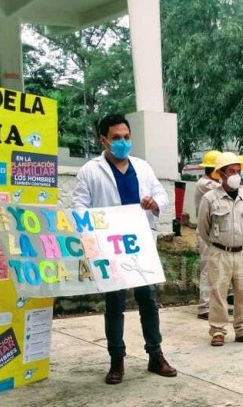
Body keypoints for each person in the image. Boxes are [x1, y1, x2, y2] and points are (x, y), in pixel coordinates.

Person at [72, 114, 177, 383]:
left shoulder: (142, 167)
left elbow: (162, 195)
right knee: (115, 304)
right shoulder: (90, 171)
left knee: (148, 302)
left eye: (126, 137)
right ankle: (116, 360)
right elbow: (79, 209)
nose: (122, 142)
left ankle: (156, 355)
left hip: (141, 245)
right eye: (116, 138)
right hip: (110, 248)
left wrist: (154, 203)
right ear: (103, 140)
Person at [197, 152, 243, 346]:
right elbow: (203, 228)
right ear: (221, 174)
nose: (236, 175)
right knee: (218, 293)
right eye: (231, 171)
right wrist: (218, 245)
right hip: (220, 252)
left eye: (238, 171)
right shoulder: (210, 198)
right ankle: (218, 331)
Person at [194, 150, 221, 320]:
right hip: (207, 230)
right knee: (207, 268)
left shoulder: (211, 183)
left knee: (218, 269)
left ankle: (214, 303)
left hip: (217, 231)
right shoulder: (206, 184)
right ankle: (204, 306)